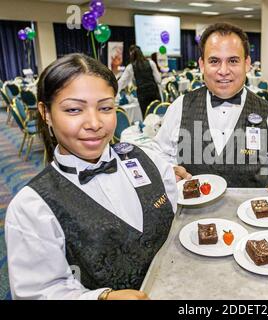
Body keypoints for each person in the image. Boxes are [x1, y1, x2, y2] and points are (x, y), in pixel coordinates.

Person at [5, 53, 177, 300]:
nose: (94, 123)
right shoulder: (31, 208)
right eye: (74, 109)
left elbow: (175, 215)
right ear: (46, 113)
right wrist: (102, 298)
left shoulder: (145, 158)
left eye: (105, 108)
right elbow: (40, 292)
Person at [151, 23, 268, 190]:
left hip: (251, 213)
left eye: (233, 61)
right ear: (202, 65)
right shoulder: (180, 107)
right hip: (193, 214)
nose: (223, 71)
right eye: (214, 61)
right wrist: (169, 170)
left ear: (247, 63)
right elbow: (160, 153)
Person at [118, 45, 162, 117]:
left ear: (131, 54)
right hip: (154, 92)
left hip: (143, 95)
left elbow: (122, 82)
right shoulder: (151, 63)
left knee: (146, 116)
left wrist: (113, 92)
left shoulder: (130, 67)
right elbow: (158, 80)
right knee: (158, 114)